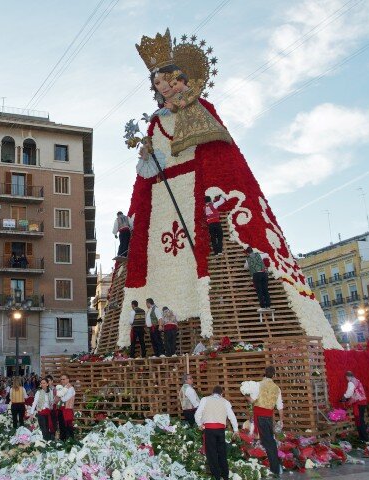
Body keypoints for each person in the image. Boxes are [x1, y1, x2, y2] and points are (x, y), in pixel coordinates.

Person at [117, 29, 339, 352]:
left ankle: (212, 324)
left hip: (194, 188)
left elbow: (218, 157)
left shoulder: (200, 108)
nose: (162, 87)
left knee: (205, 265)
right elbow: (146, 175)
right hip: (162, 202)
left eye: (166, 80)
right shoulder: (154, 123)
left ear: (179, 78)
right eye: (157, 83)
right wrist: (147, 154)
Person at [245, 366, 283, 477]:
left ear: (264, 373)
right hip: (269, 416)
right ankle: (276, 465)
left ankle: (275, 468)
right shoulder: (277, 388)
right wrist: (281, 420)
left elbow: (252, 400)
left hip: (260, 416)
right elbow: (280, 406)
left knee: (268, 442)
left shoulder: (258, 385)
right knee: (269, 441)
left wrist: (245, 395)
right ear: (274, 375)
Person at [195, 385, 239, 480]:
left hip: (209, 429)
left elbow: (197, 413)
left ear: (212, 393)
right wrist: (236, 430)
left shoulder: (205, 399)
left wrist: (199, 424)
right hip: (220, 430)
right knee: (222, 452)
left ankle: (217, 476)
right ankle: (225, 475)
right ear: (221, 394)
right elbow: (232, 416)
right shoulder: (225, 402)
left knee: (212, 453)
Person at [342, 371, 369, 441]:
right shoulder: (357, 380)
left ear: (348, 376)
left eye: (346, 377)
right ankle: (362, 437)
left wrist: (344, 396)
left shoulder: (351, 382)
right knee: (360, 419)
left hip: (359, 402)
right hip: (363, 401)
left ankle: (365, 438)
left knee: (359, 420)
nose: (346, 379)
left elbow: (350, 392)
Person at [56, 374, 75, 441]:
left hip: (67, 409)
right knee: (61, 426)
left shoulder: (71, 388)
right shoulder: (61, 388)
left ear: (68, 380)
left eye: (64, 379)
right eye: (61, 379)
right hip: (61, 409)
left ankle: (70, 440)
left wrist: (59, 398)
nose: (62, 380)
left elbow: (65, 398)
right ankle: (62, 440)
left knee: (68, 426)